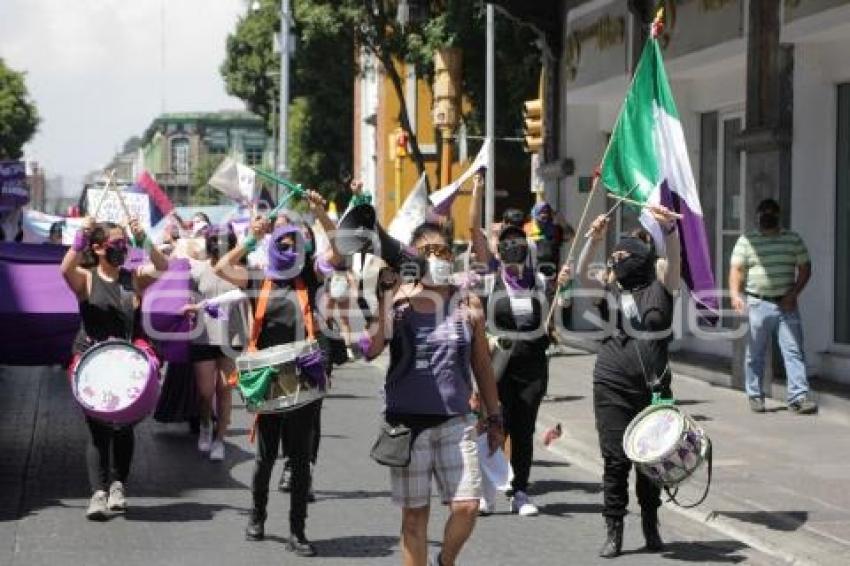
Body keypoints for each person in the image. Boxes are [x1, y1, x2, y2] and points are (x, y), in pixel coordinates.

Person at [361, 221, 503, 566]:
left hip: (456, 422)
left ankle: (446, 560)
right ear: (413, 259)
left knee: (467, 506)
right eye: (425, 252)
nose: (435, 258)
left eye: (441, 251)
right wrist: (383, 296)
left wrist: (495, 415)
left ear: (451, 258)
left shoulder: (466, 303)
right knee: (414, 519)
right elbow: (370, 349)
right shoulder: (398, 300)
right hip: (407, 426)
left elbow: (482, 365)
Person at [213, 190, 335, 557]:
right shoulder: (258, 280)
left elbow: (339, 253)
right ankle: (257, 517)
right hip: (268, 379)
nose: (287, 246)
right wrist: (250, 236)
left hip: (303, 377)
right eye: (280, 240)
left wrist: (320, 214)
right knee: (265, 457)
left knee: (300, 460)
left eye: (292, 241)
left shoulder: (309, 280)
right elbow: (221, 268)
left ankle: (298, 531)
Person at [576, 206, 680, 557]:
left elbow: (674, 260)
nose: (619, 262)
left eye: (625, 256)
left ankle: (651, 522)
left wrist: (670, 231)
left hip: (654, 389)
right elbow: (581, 275)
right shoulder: (607, 289)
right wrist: (594, 240)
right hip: (611, 384)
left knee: (652, 461)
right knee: (615, 460)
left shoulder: (662, 283)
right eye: (615, 257)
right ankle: (614, 528)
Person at [59, 216, 168, 520]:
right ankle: (98, 493)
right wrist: (78, 240)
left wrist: (144, 237)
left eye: (125, 243)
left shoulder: (132, 279)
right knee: (97, 430)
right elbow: (65, 269)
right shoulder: (87, 278)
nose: (123, 248)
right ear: (98, 247)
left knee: (123, 427)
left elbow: (163, 267)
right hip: (93, 360)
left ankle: (119, 485)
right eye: (116, 243)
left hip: (125, 361)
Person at [469, 170, 548, 517]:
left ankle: (520, 492)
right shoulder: (490, 277)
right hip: (497, 367)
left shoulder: (541, 280)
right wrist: (477, 191)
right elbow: (474, 231)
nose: (513, 245)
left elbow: (548, 322)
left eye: (519, 241)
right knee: (494, 426)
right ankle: (488, 491)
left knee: (525, 431)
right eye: (508, 241)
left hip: (531, 369)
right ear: (500, 248)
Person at [729, 198, 817, 414]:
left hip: (786, 304)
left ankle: (798, 397)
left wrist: (794, 293)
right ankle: (756, 396)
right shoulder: (747, 240)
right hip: (758, 303)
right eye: (763, 213)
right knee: (755, 353)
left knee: (793, 350)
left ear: (778, 216)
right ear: (757, 216)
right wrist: (735, 295)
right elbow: (737, 269)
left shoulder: (792, 239)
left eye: (771, 214)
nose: (767, 217)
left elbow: (805, 268)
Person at [185, 225, 247, 461]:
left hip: (231, 336)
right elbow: (187, 295)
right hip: (203, 335)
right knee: (205, 392)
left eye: (224, 240)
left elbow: (246, 300)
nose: (218, 245)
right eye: (214, 240)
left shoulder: (239, 270)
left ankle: (220, 439)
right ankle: (205, 424)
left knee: (224, 389)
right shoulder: (197, 269)